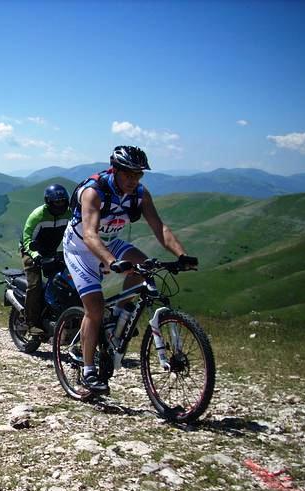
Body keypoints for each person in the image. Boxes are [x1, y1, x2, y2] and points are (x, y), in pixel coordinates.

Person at [63, 146, 197, 393]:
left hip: (110, 242)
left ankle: (119, 317)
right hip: (80, 247)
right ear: (115, 170)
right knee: (94, 307)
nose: (133, 180)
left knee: (144, 268)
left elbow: (160, 228)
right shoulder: (94, 192)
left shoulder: (140, 194)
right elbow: (91, 235)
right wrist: (111, 261)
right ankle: (88, 370)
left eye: (138, 175)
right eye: (128, 175)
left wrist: (182, 255)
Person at [20, 183, 70, 338]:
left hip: (52, 251)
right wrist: (36, 256)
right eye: (57, 202)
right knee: (34, 285)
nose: (60, 204)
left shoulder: (68, 214)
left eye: (62, 201)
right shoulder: (38, 215)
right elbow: (27, 238)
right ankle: (31, 323)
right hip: (31, 251)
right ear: (49, 202)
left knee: (65, 282)